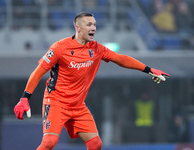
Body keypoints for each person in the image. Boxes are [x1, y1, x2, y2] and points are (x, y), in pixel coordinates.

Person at [14, 12, 170, 150]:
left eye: (95, 24)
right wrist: (25, 98)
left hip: (78, 105)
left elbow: (121, 59)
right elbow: (38, 72)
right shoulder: (59, 48)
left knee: (96, 144)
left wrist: (148, 70)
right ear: (78, 28)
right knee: (50, 142)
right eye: (89, 24)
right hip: (56, 101)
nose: (93, 28)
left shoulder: (96, 49)